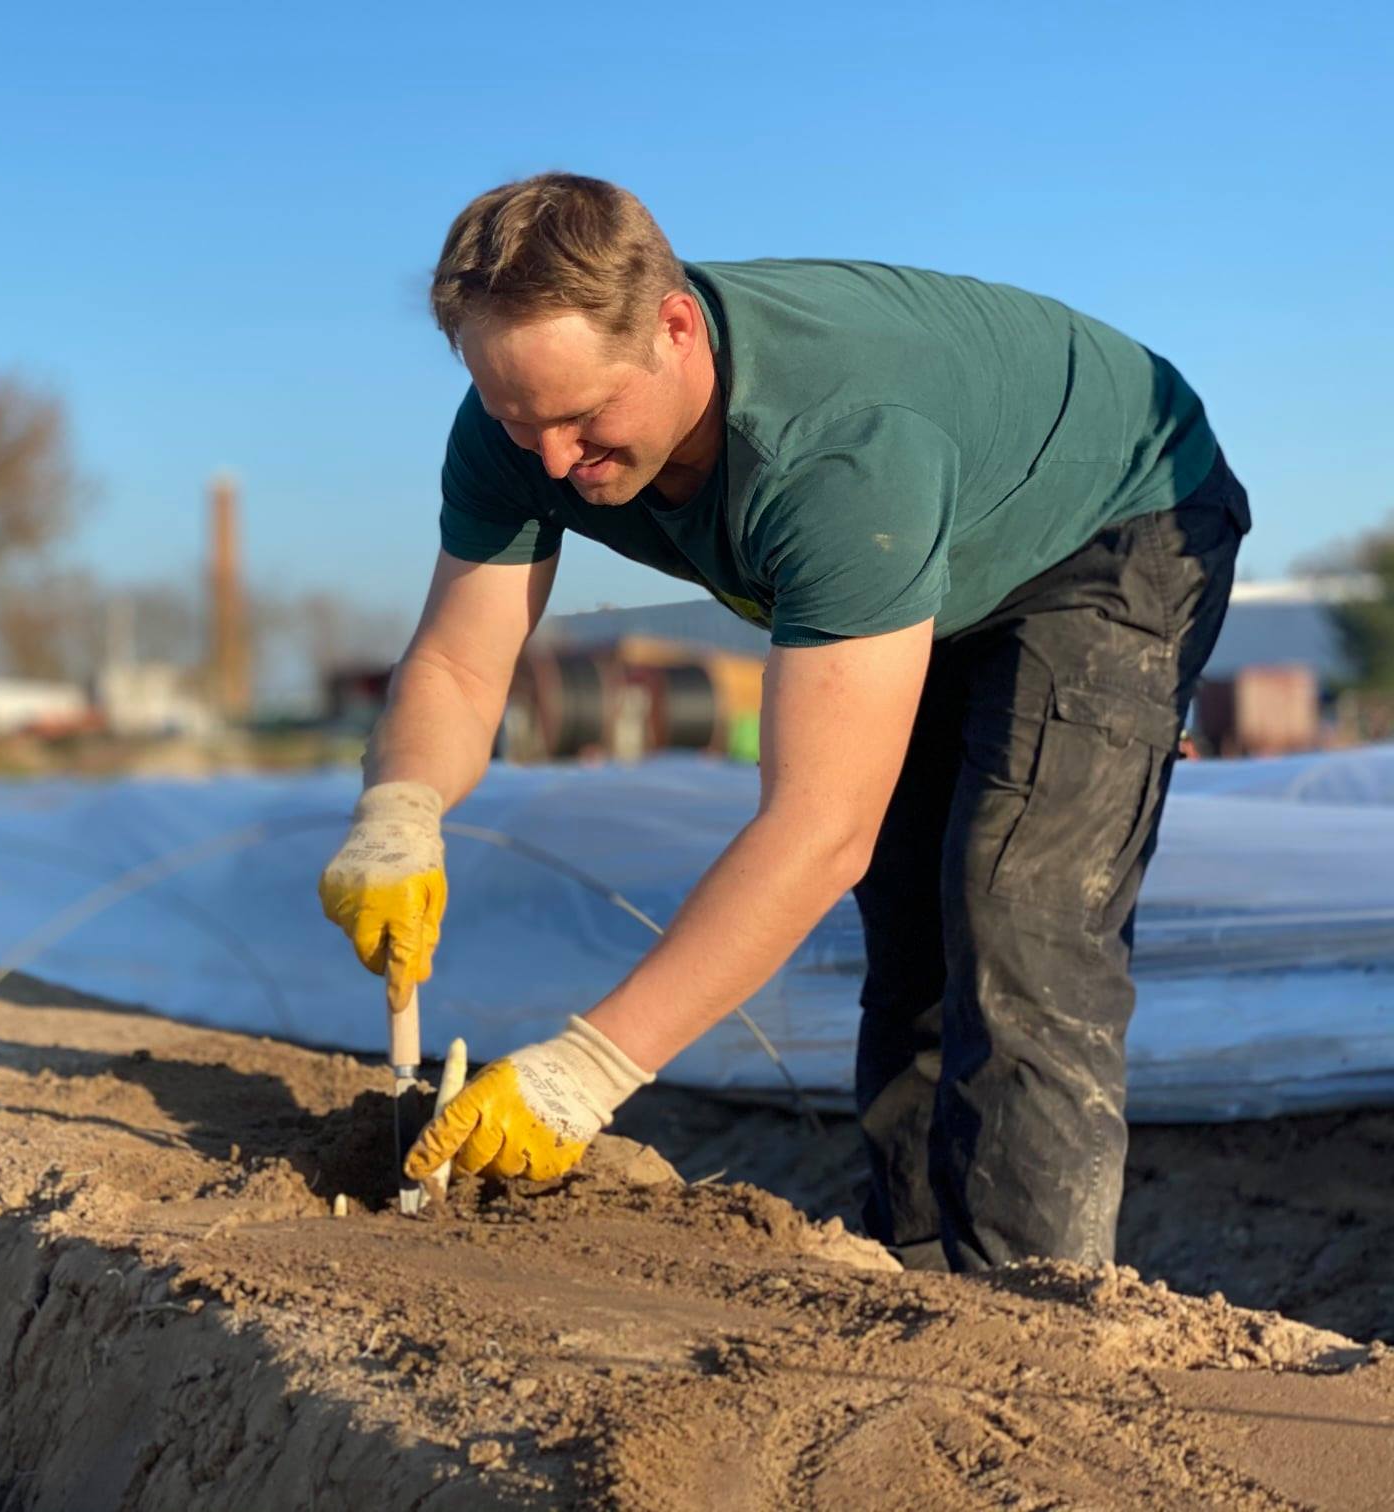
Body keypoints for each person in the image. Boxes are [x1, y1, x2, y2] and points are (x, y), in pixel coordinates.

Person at [317, 173, 1248, 1272]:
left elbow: (815, 827)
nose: (555, 463)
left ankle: (1030, 1331)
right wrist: (400, 806)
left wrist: (589, 1067)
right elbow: (459, 666)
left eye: (582, 420)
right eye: (522, 423)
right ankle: (914, 1273)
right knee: (906, 909)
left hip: (1119, 515)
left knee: (1017, 910)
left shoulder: (835, 452)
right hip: (933, 549)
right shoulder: (519, 425)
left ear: (674, 328)